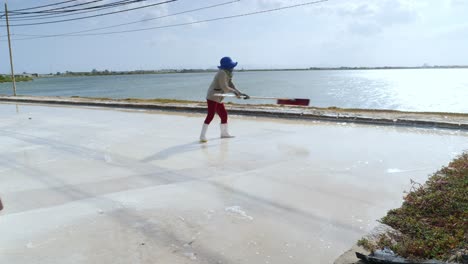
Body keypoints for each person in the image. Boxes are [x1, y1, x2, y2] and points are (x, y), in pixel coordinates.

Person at [200, 56, 249, 143]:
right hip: (213, 96)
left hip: (219, 97)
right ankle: (202, 136)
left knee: (223, 114)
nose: (233, 68)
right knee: (210, 115)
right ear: (227, 66)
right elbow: (225, 87)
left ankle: (224, 133)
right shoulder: (222, 73)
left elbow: (231, 85)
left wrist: (240, 93)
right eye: (231, 66)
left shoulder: (228, 73)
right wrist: (235, 92)